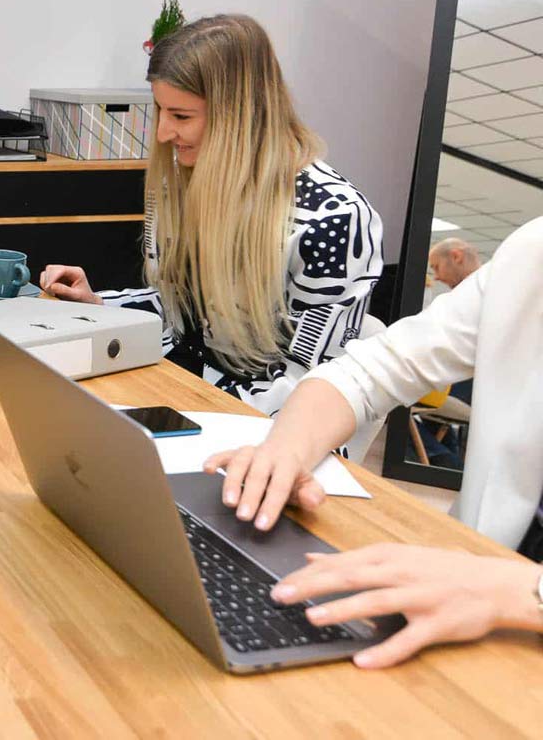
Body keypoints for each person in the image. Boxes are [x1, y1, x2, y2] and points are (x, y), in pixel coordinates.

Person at [204, 218, 543, 668]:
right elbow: (372, 370)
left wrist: (522, 589)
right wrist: (285, 449)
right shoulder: (531, 253)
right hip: (484, 571)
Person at [39, 15, 383, 422]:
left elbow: (314, 390)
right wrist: (99, 304)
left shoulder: (334, 221)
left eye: (182, 116)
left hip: (254, 437)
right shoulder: (186, 180)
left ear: (241, 116)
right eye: (161, 111)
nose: (164, 132)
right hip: (175, 396)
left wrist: (182, 416)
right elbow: (181, 318)